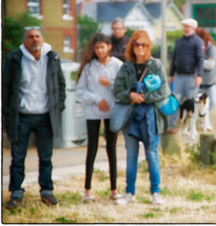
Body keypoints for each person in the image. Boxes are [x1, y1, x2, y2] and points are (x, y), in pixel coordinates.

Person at [2, 27, 66, 209]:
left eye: (37, 36)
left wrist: (58, 107)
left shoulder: (52, 57)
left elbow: (60, 85)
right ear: (25, 41)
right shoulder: (14, 58)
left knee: (46, 157)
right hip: (22, 116)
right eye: (30, 37)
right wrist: (6, 111)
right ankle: (16, 193)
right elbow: (5, 87)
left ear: (42, 39)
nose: (35, 40)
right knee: (18, 157)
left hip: (45, 116)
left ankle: (46, 191)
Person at [113, 30, 170, 205]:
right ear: (132, 46)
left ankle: (155, 193)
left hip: (151, 116)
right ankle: (129, 193)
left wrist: (145, 98)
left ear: (148, 46)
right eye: (137, 44)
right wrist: (130, 96)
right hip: (130, 117)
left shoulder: (156, 65)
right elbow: (117, 90)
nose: (140, 48)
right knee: (131, 156)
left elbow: (164, 91)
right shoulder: (126, 67)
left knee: (151, 155)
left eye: (144, 45)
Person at [75, 33, 123, 203]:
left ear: (109, 47)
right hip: (93, 112)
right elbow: (80, 91)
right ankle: (87, 190)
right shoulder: (89, 67)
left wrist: (109, 83)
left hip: (113, 112)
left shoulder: (117, 65)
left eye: (102, 47)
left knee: (112, 149)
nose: (100, 51)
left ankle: (114, 189)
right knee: (92, 148)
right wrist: (97, 99)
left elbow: (123, 87)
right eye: (96, 48)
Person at [167, 18, 205, 136]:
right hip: (178, 77)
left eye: (188, 26)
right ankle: (171, 127)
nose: (186, 29)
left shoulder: (198, 42)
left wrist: (199, 75)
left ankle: (191, 129)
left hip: (191, 78)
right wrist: (171, 74)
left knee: (192, 104)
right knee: (174, 102)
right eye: (184, 26)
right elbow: (174, 59)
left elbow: (200, 60)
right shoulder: (179, 42)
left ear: (193, 28)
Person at [195, 27, 216, 130]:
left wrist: (199, 62)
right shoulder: (195, 47)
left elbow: (211, 64)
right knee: (200, 103)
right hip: (198, 81)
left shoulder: (211, 47)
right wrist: (204, 61)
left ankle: (203, 119)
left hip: (210, 81)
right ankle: (205, 123)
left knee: (213, 102)